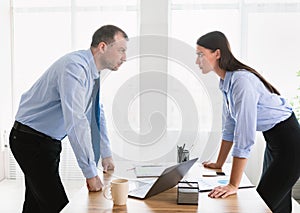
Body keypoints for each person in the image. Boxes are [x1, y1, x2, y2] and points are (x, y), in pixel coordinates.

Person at [9, 25, 128, 213]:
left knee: (36, 204)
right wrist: (89, 172)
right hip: (30, 140)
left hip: (46, 142)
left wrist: (106, 154)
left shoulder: (93, 74)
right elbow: (76, 121)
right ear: (103, 47)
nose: (125, 57)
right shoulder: (75, 67)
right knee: (58, 206)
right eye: (121, 50)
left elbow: (97, 115)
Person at [196, 31, 300, 213]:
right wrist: (219, 164)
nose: (197, 61)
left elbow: (244, 135)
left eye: (200, 54)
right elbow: (230, 127)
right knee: (278, 205)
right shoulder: (226, 82)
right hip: (274, 140)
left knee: (262, 204)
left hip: (290, 143)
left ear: (217, 53)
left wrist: (233, 185)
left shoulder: (241, 81)